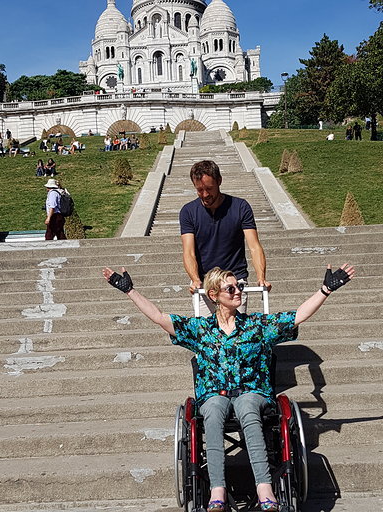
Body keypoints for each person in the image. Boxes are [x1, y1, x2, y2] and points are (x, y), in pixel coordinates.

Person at [102, 262, 354, 512]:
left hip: (252, 392)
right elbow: (159, 318)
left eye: (239, 287)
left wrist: (325, 290)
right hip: (214, 394)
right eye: (230, 289)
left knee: (246, 406)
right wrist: (129, 290)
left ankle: (264, 487)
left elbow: (298, 316)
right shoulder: (201, 330)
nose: (238, 292)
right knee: (211, 411)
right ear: (214, 296)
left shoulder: (257, 326)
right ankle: (217, 490)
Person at [179, 160, 270, 316]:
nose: (205, 195)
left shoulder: (241, 207)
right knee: (206, 336)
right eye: (200, 190)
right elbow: (189, 252)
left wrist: (261, 277)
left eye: (209, 188)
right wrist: (195, 279)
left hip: (234, 281)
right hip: (205, 283)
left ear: (219, 181)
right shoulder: (188, 212)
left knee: (236, 334)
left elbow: (254, 246)